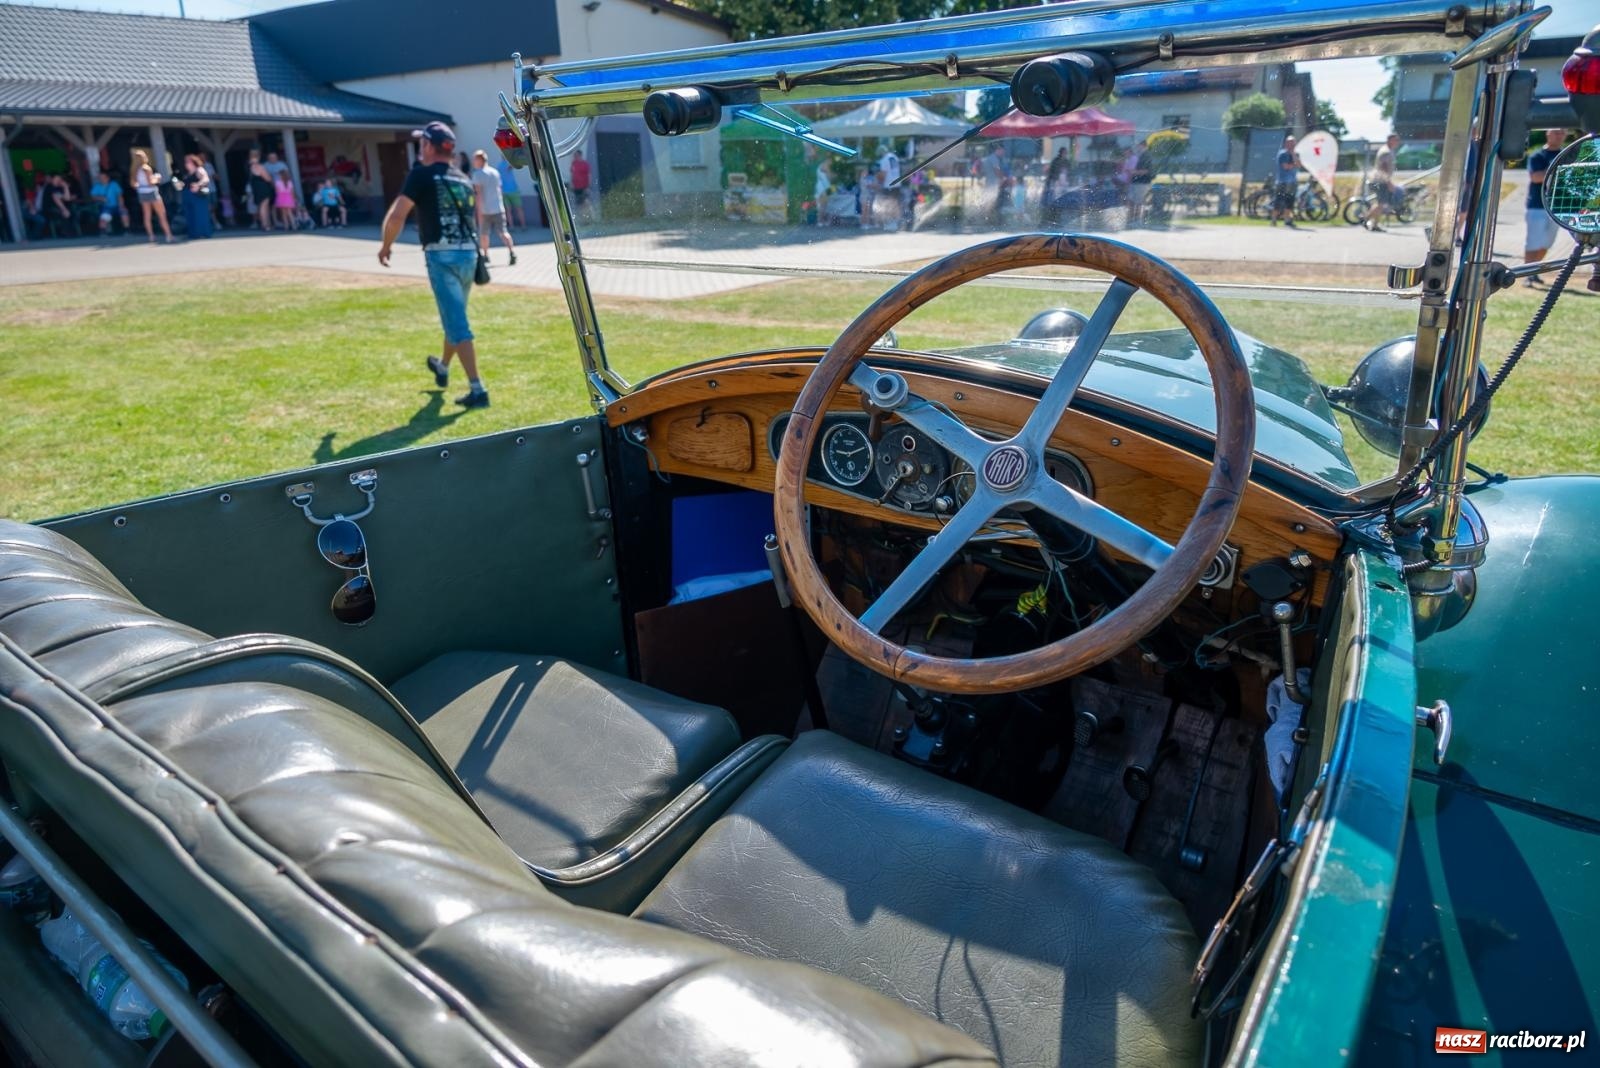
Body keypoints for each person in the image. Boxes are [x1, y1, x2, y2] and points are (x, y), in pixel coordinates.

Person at [378, 121, 489, 409]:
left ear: (428, 146)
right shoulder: (462, 177)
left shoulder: (421, 175)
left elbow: (397, 216)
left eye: (421, 143)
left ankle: (478, 389)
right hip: (468, 255)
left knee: (457, 323)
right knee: (455, 316)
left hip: (442, 256)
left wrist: (386, 246)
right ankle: (442, 366)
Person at [1523, 128, 1567, 286]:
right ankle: (1528, 275)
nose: (1559, 135)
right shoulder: (1537, 155)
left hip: (1557, 208)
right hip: (1537, 206)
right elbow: (1535, 177)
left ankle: (1534, 270)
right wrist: (1559, 171)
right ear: (1548, 134)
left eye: (1562, 133)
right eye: (1556, 132)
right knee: (1533, 242)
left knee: (1547, 243)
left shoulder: (1568, 155)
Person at [472, 149, 516, 265]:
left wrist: (479, 211)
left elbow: (479, 194)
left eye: (475, 159)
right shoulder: (495, 172)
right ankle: (512, 253)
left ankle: (486, 256)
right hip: (498, 207)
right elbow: (499, 190)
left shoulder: (477, 174)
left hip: (485, 210)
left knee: (484, 234)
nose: (473, 162)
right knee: (503, 232)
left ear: (480, 160)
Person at [130, 149, 173, 243]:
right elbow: (150, 182)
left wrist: (141, 185)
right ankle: (168, 235)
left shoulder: (134, 170)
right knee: (161, 214)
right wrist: (157, 178)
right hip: (151, 192)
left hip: (142, 192)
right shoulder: (146, 168)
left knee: (147, 215)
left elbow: (133, 184)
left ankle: (151, 236)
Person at [1363, 133, 1401, 232]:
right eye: (1395, 140)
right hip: (1381, 181)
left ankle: (1374, 224)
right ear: (1390, 140)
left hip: (1380, 180)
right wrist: (1389, 182)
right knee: (1381, 204)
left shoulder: (1388, 150)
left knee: (1381, 203)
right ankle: (1366, 219)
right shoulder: (1386, 152)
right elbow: (1383, 168)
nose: (1397, 142)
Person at [1270, 134, 1302, 229]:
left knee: (1290, 201)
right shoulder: (1282, 154)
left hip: (1292, 181)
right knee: (1278, 201)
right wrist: (1294, 164)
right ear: (1286, 144)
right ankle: (1273, 219)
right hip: (1282, 181)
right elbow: (1285, 166)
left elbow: (1299, 164)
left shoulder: (1294, 154)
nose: (1292, 145)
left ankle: (1287, 220)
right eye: (1290, 143)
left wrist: (1293, 155)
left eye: (1293, 143)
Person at [180, 154, 213, 239]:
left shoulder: (199, 170)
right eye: (186, 162)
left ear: (193, 162)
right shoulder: (187, 174)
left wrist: (198, 185)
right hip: (187, 196)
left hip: (197, 196)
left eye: (188, 162)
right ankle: (193, 234)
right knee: (190, 215)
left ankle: (203, 233)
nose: (186, 164)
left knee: (200, 214)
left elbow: (206, 179)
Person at [90, 169, 129, 235]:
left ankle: (127, 230)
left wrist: (121, 205)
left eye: (103, 177)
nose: (101, 179)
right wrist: (100, 198)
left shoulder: (114, 185)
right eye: (100, 178)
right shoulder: (97, 186)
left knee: (124, 213)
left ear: (107, 178)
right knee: (104, 217)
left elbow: (119, 196)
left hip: (116, 206)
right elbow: (93, 197)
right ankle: (103, 232)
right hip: (106, 207)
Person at [248, 150, 275, 231]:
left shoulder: (250, 167)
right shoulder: (259, 167)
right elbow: (267, 178)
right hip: (263, 188)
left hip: (256, 188)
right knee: (264, 206)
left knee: (261, 206)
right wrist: (271, 179)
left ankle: (266, 223)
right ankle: (265, 224)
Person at [495, 156, 525, 228]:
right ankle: (523, 225)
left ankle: (511, 226)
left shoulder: (498, 166)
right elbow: (514, 166)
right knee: (519, 209)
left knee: (508, 210)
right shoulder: (509, 164)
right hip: (513, 190)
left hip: (504, 191)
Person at [568, 149, 592, 217]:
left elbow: (589, 175)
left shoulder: (585, 164)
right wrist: (571, 184)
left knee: (585, 201)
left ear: (580, 155)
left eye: (576, 155)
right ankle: (582, 217)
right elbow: (572, 174)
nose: (575, 157)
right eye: (575, 155)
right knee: (578, 203)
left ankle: (590, 215)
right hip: (576, 187)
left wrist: (588, 186)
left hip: (584, 186)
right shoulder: (574, 163)